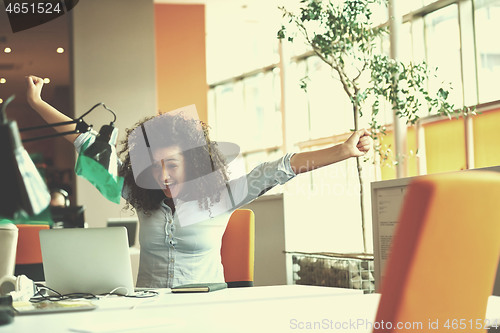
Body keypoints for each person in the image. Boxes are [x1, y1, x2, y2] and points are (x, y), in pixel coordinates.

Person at [25, 75, 373, 288]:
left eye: (172, 165)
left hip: (204, 311)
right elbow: (86, 143)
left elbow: (278, 168)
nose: (162, 176)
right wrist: (38, 103)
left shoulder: (222, 196)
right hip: (150, 308)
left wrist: (342, 151)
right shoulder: (140, 193)